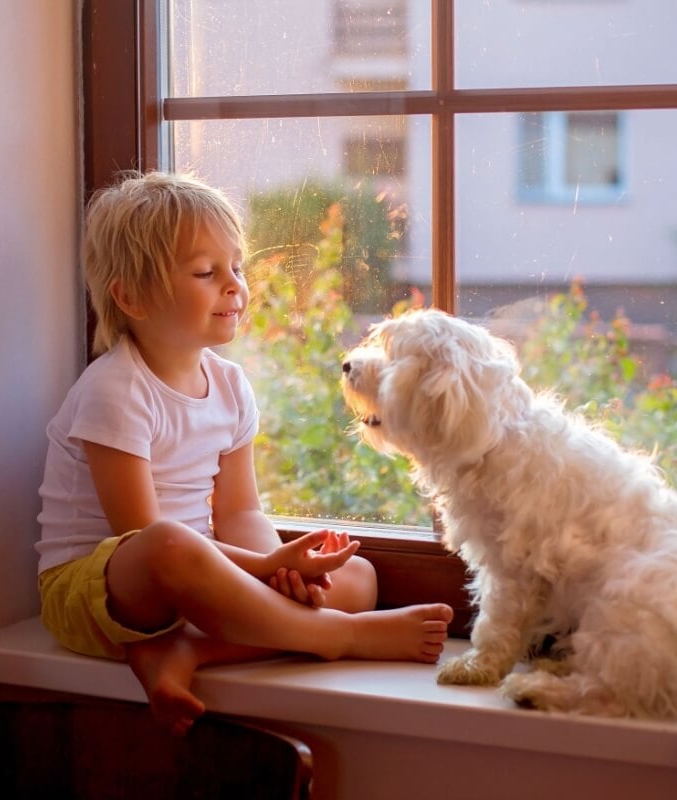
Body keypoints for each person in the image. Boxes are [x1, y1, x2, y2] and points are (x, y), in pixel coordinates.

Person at [35, 171, 452, 735]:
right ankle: (341, 637)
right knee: (170, 545)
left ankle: (188, 653)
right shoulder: (116, 389)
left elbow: (239, 514)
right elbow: (138, 537)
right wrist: (266, 567)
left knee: (358, 580)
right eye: (207, 273)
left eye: (236, 267)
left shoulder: (229, 387)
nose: (234, 286)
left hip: (197, 577)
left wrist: (284, 577)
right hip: (104, 589)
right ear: (131, 297)